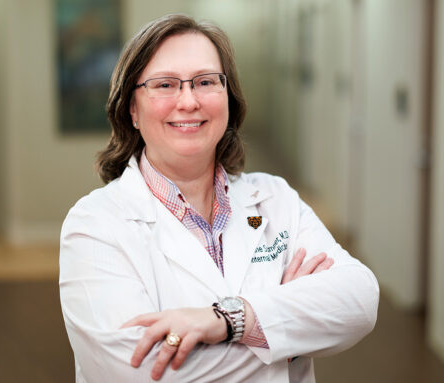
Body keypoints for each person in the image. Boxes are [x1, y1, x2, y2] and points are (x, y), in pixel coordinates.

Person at [59, 14, 379, 383]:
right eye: (165, 84)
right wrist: (287, 335)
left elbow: (360, 301)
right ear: (132, 108)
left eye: (206, 81)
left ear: (228, 97)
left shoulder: (276, 199)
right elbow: (141, 372)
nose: (189, 101)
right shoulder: (94, 225)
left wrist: (227, 320)